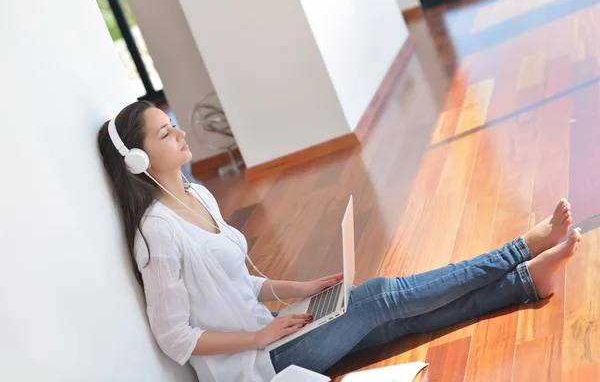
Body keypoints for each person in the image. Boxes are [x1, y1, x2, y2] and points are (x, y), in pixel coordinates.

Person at [97, 100, 582, 382]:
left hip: (274, 331)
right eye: (165, 133)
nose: (180, 133)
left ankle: (522, 285)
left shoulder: (198, 195)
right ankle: (519, 250)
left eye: (173, 124)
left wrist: (301, 288)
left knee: (388, 322)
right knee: (382, 297)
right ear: (139, 160)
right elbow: (174, 336)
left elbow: (240, 281)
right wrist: (258, 337)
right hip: (259, 364)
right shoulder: (156, 233)